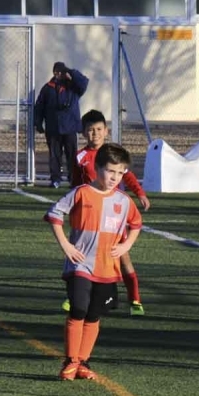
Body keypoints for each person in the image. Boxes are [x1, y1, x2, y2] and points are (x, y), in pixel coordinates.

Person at [44, 142, 143, 381]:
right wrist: (66, 246)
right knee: (78, 308)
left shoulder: (123, 200)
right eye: (111, 171)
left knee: (93, 315)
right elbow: (54, 215)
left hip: (107, 268)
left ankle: (83, 362)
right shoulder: (81, 192)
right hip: (80, 264)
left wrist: (127, 245)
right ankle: (70, 361)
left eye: (120, 173)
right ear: (97, 168)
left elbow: (136, 224)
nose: (115, 177)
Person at [62, 109, 150, 316]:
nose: (95, 134)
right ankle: (76, 295)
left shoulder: (113, 155)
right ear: (83, 133)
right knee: (82, 253)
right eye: (90, 130)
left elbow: (128, 178)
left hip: (114, 214)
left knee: (122, 255)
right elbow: (76, 183)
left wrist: (140, 194)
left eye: (99, 129)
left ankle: (135, 298)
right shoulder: (80, 156)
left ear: (106, 131)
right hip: (89, 213)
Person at [34, 61, 89, 188]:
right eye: (57, 72)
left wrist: (71, 72)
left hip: (70, 128)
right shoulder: (48, 88)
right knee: (55, 155)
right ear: (54, 73)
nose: (59, 75)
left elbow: (84, 82)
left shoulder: (73, 87)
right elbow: (39, 106)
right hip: (53, 128)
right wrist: (38, 123)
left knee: (72, 155)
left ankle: (73, 178)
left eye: (62, 72)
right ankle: (55, 179)